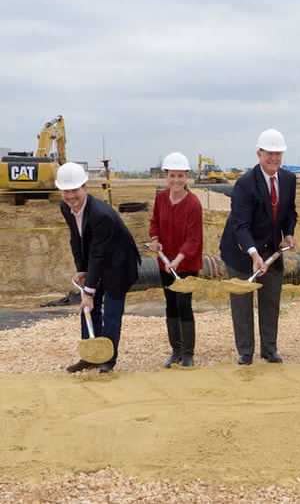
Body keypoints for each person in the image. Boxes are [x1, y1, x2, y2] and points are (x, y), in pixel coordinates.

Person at [219, 129, 297, 365]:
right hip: (242, 252)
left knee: (270, 300)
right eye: (269, 153)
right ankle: (245, 351)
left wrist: (289, 233)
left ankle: (269, 348)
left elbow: (289, 211)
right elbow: (240, 225)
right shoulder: (245, 184)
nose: (274, 158)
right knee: (242, 304)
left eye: (278, 153)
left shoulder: (288, 179)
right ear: (259, 154)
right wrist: (253, 254)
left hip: (271, 251)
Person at [56, 162, 141, 374]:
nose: (70, 196)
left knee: (111, 312)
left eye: (75, 190)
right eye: (66, 191)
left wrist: (89, 291)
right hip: (99, 258)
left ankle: (107, 360)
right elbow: (76, 240)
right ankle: (90, 356)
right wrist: (83, 273)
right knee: (88, 308)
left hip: (119, 264)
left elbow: (98, 254)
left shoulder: (100, 215)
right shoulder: (66, 207)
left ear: (85, 188)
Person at [147, 152, 203, 368]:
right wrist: (155, 239)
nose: (176, 180)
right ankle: (176, 350)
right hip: (165, 262)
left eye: (180, 176)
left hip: (186, 265)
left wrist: (178, 260)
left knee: (183, 304)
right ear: (166, 176)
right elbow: (155, 222)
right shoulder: (161, 198)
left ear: (186, 177)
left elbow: (193, 239)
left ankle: (188, 353)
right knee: (170, 304)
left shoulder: (193, 204)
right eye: (172, 175)